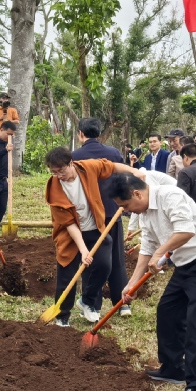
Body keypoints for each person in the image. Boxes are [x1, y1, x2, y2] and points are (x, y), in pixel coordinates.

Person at [111, 171, 196, 391]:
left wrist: (160, 252)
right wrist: (132, 283)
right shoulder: (144, 213)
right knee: (167, 311)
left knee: (195, 323)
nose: (128, 211)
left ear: (137, 193)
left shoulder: (170, 195)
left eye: (126, 206)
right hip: (184, 264)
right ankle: (173, 368)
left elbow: (186, 231)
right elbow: (147, 248)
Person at [44, 147, 134, 327]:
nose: (58, 175)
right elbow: (69, 224)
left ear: (71, 163)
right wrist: (84, 250)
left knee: (104, 265)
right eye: (54, 172)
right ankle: (62, 316)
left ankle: (87, 301)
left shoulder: (87, 168)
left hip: (95, 229)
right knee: (67, 274)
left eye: (61, 170)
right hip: (70, 236)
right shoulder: (54, 188)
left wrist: (135, 173)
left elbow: (111, 166)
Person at [73, 117, 131, 316]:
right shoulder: (113, 153)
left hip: (89, 217)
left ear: (81, 134)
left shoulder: (75, 156)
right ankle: (122, 304)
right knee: (117, 259)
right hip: (112, 213)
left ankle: (93, 306)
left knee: (91, 259)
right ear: (99, 133)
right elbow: (123, 179)